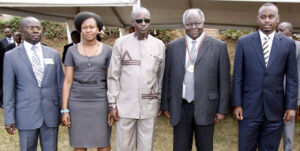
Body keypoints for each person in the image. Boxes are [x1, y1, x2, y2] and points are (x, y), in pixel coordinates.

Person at [161, 8, 230, 151]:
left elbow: (224, 80)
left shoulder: (219, 47)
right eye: (189, 24)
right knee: (180, 147)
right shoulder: (173, 47)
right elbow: (167, 78)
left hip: (206, 106)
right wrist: (166, 105)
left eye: (197, 23)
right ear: (184, 25)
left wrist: (222, 109)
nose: (193, 27)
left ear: (203, 22)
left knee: (205, 148)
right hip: (181, 106)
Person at [232, 3, 298, 151]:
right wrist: (237, 104)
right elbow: (237, 76)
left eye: (271, 16)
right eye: (263, 17)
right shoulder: (244, 42)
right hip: (249, 110)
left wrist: (291, 106)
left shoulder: (288, 44)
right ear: (257, 19)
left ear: (278, 19)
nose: (267, 20)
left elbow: (292, 78)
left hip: (275, 110)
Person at [107, 7, 165, 151]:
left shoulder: (159, 45)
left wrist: (159, 100)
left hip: (149, 106)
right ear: (133, 22)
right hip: (125, 106)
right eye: (139, 21)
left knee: (146, 147)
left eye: (147, 20)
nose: (143, 24)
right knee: (124, 146)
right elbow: (113, 75)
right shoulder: (120, 43)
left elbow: (161, 77)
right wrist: (112, 103)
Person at [3, 16, 64, 151]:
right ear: (22, 31)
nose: (36, 31)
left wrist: (63, 111)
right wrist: (9, 118)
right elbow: (8, 90)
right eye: (31, 28)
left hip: (50, 113)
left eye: (38, 28)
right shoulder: (11, 56)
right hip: (26, 114)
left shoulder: (53, 54)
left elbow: (60, 85)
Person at [61, 12, 111, 151]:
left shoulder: (108, 51)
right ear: (80, 30)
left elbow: (110, 81)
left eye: (92, 27)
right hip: (77, 102)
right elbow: (67, 81)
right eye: (84, 27)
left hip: (101, 101)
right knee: (80, 142)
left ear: (98, 29)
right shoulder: (71, 51)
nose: (88, 30)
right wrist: (64, 110)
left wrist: (112, 106)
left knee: (103, 141)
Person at [277, 21, 300, 151]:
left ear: (290, 32)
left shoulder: (298, 46)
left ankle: (288, 149)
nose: (279, 32)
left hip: (290, 94)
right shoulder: (273, 44)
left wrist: (296, 97)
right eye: (278, 30)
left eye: (282, 30)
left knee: (288, 126)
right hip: (273, 94)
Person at [0, 27, 14, 108]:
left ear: (11, 32)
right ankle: (2, 102)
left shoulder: (16, 40)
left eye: (8, 32)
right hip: (4, 65)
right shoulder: (1, 42)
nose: (7, 33)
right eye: (5, 32)